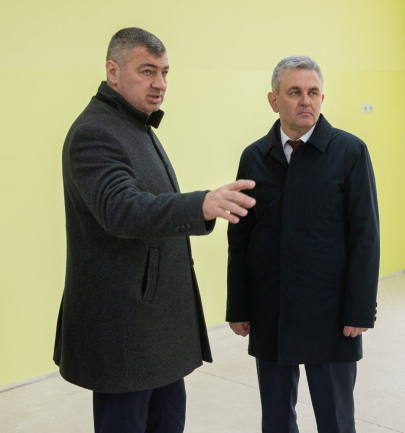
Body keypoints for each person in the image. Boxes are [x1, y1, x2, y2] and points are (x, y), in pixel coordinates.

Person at [54, 27, 255, 433]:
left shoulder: (135, 125)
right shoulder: (95, 132)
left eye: (164, 72)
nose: (160, 83)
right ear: (113, 72)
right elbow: (120, 209)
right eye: (147, 71)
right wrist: (200, 204)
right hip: (124, 332)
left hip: (155, 328)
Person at [227, 55, 380, 433]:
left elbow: (365, 235)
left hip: (331, 312)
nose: (305, 101)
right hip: (271, 309)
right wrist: (238, 305)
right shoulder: (254, 157)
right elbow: (240, 237)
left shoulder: (350, 152)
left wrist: (360, 309)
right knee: (276, 419)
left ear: (322, 98)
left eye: (313, 92)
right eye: (294, 92)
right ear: (273, 100)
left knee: (336, 419)